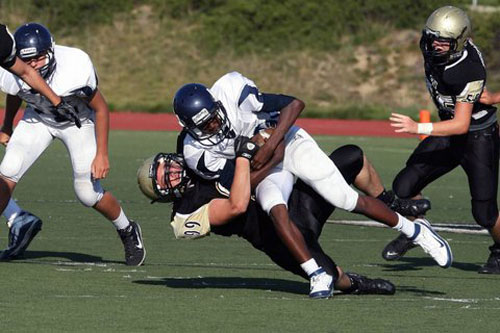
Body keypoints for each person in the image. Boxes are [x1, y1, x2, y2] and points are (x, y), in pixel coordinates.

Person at [172, 72, 452, 293]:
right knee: (275, 208)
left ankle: (415, 232)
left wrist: (271, 147)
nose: (214, 127)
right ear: (188, 127)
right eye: (204, 125)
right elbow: (240, 186)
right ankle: (315, 273)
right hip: (266, 169)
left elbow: (294, 104)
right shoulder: (196, 153)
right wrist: (264, 158)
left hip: (289, 142)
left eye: (213, 119)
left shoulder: (231, 89)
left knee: (345, 199)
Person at [137, 141, 397, 298]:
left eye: (166, 166)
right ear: (165, 195)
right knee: (330, 275)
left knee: (351, 156)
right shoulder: (184, 216)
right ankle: (356, 284)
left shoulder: (199, 157)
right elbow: (237, 205)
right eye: (164, 178)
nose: (171, 171)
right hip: (277, 238)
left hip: (293, 203)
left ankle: (389, 203)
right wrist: (250, 156)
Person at [0, 23, 145, 265]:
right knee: (7, 173)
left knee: (87, 193)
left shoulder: (74, 67)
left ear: (51, 50)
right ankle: (19, 223)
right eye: (28, 60)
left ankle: (128, 229)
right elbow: (16, 91)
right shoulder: (10, 67)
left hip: (77, 122)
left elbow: (101, 108)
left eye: (38, 58)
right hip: (38, 118)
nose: (33, 64)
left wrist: (102, 154)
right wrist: (7, 125)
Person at [383, 6, 500, 274]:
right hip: (450, 129)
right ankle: (418, 230)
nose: (435, 44)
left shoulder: (467, 67)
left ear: (459, 41)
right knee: (404, 186)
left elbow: (460, 125)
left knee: (485, 214)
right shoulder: (430, 47)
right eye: (432, 37)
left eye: (443, 41)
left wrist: (417, 127)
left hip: (477, 137)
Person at [0, 23, 75, 113]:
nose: (33, 64)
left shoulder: (3, 42)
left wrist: (58, 103)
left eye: (38, 58)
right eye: (26, 59)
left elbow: (25, 73)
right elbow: (19, 83)